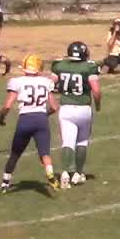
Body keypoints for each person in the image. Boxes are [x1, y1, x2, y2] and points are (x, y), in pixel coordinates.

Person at [0, 55, 61, 194]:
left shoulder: (17, 82)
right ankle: (50, 173)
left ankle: (5, 183)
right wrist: (44, 114)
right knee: (44, 153)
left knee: (15, 154)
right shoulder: (46, 82)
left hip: (25, 120)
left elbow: (7, 106)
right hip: (41, 120)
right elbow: (55, 107)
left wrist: (1, 117)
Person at [50, 41, 102, 188]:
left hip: (66, 108)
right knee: (82, 141)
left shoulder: (59, 65)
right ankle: (78, 173)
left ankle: (65, 173)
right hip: (83, 108)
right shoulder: (89, 66)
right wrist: (97, 105)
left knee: (67, 141)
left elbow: (50, 84)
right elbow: (96, 91)